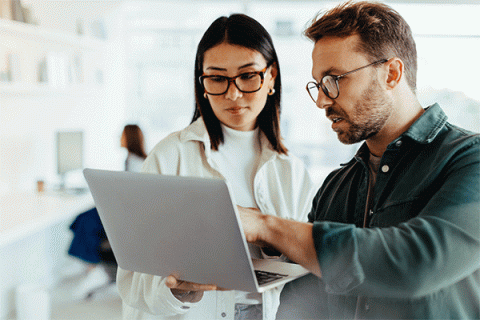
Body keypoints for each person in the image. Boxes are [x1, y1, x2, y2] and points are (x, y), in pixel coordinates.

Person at [238, 1, 480, 319]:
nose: (323, 100)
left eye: (335, 79)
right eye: (319, 85)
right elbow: (302, 302)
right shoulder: (336, 186)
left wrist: (266, 226)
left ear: (391, 73)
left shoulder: (469, 160)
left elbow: (415, 263)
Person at [116, 14, 316, 320]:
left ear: (271, 76)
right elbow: (132, 284)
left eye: (248, 75)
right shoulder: (171, 156)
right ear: (203, 83)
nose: (233, 94)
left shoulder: (292, 171)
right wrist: (179, 291)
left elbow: (307, 266)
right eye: (218, 78)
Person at [68, 124, 147, 299]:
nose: (119, 138)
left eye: (122, 135)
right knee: (80, 220)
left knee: (85, 222)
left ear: (129, 138)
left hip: (127, 216)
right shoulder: (132, 159)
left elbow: (133, 198)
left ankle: (94, 269)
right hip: (122, 210)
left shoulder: (136, 163)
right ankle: (92, 267)